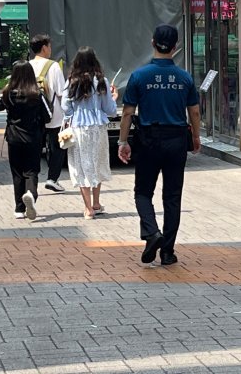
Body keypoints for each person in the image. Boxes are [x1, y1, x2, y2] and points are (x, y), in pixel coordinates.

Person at [118, 24, 201, 266]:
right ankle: (167, 252)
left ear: (152, 42)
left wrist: (123, 141)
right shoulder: (184, 77)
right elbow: (194, 112)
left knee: (143, 192)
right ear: (175, 47)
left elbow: (127, 112)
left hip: (148, 139)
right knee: (172, 197)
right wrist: (195, 137)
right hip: (176, 139)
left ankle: (152, 233)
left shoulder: (139, 76)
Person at [61, 47, 119, 220]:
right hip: (98, 128)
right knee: (97, 162)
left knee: (81, 166)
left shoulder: (72, 81)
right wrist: (114, 97)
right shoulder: (102, 80)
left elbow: (65, 106)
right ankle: (96, 202)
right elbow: (109, 109)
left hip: (79, 128)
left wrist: (73, 112)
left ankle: (88, 209)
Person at [0, 61, 52, 220]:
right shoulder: (37, 94)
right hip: (33, 138)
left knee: (17, 172)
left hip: (14, 137)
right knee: (31, 171)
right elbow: (49, 116)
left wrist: (6, 89)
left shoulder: (8, 93)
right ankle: (31, 194)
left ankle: (19, 209)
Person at [29, 34, 67, 193]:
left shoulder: (27, 65)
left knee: (35, 149)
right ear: (44, 47)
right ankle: (52, 179)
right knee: (57, 148)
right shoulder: (53, 66)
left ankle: (32, 181)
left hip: (33, 116)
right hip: (54, 116)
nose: (50, 49)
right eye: (49, 46)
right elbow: (61, 92)